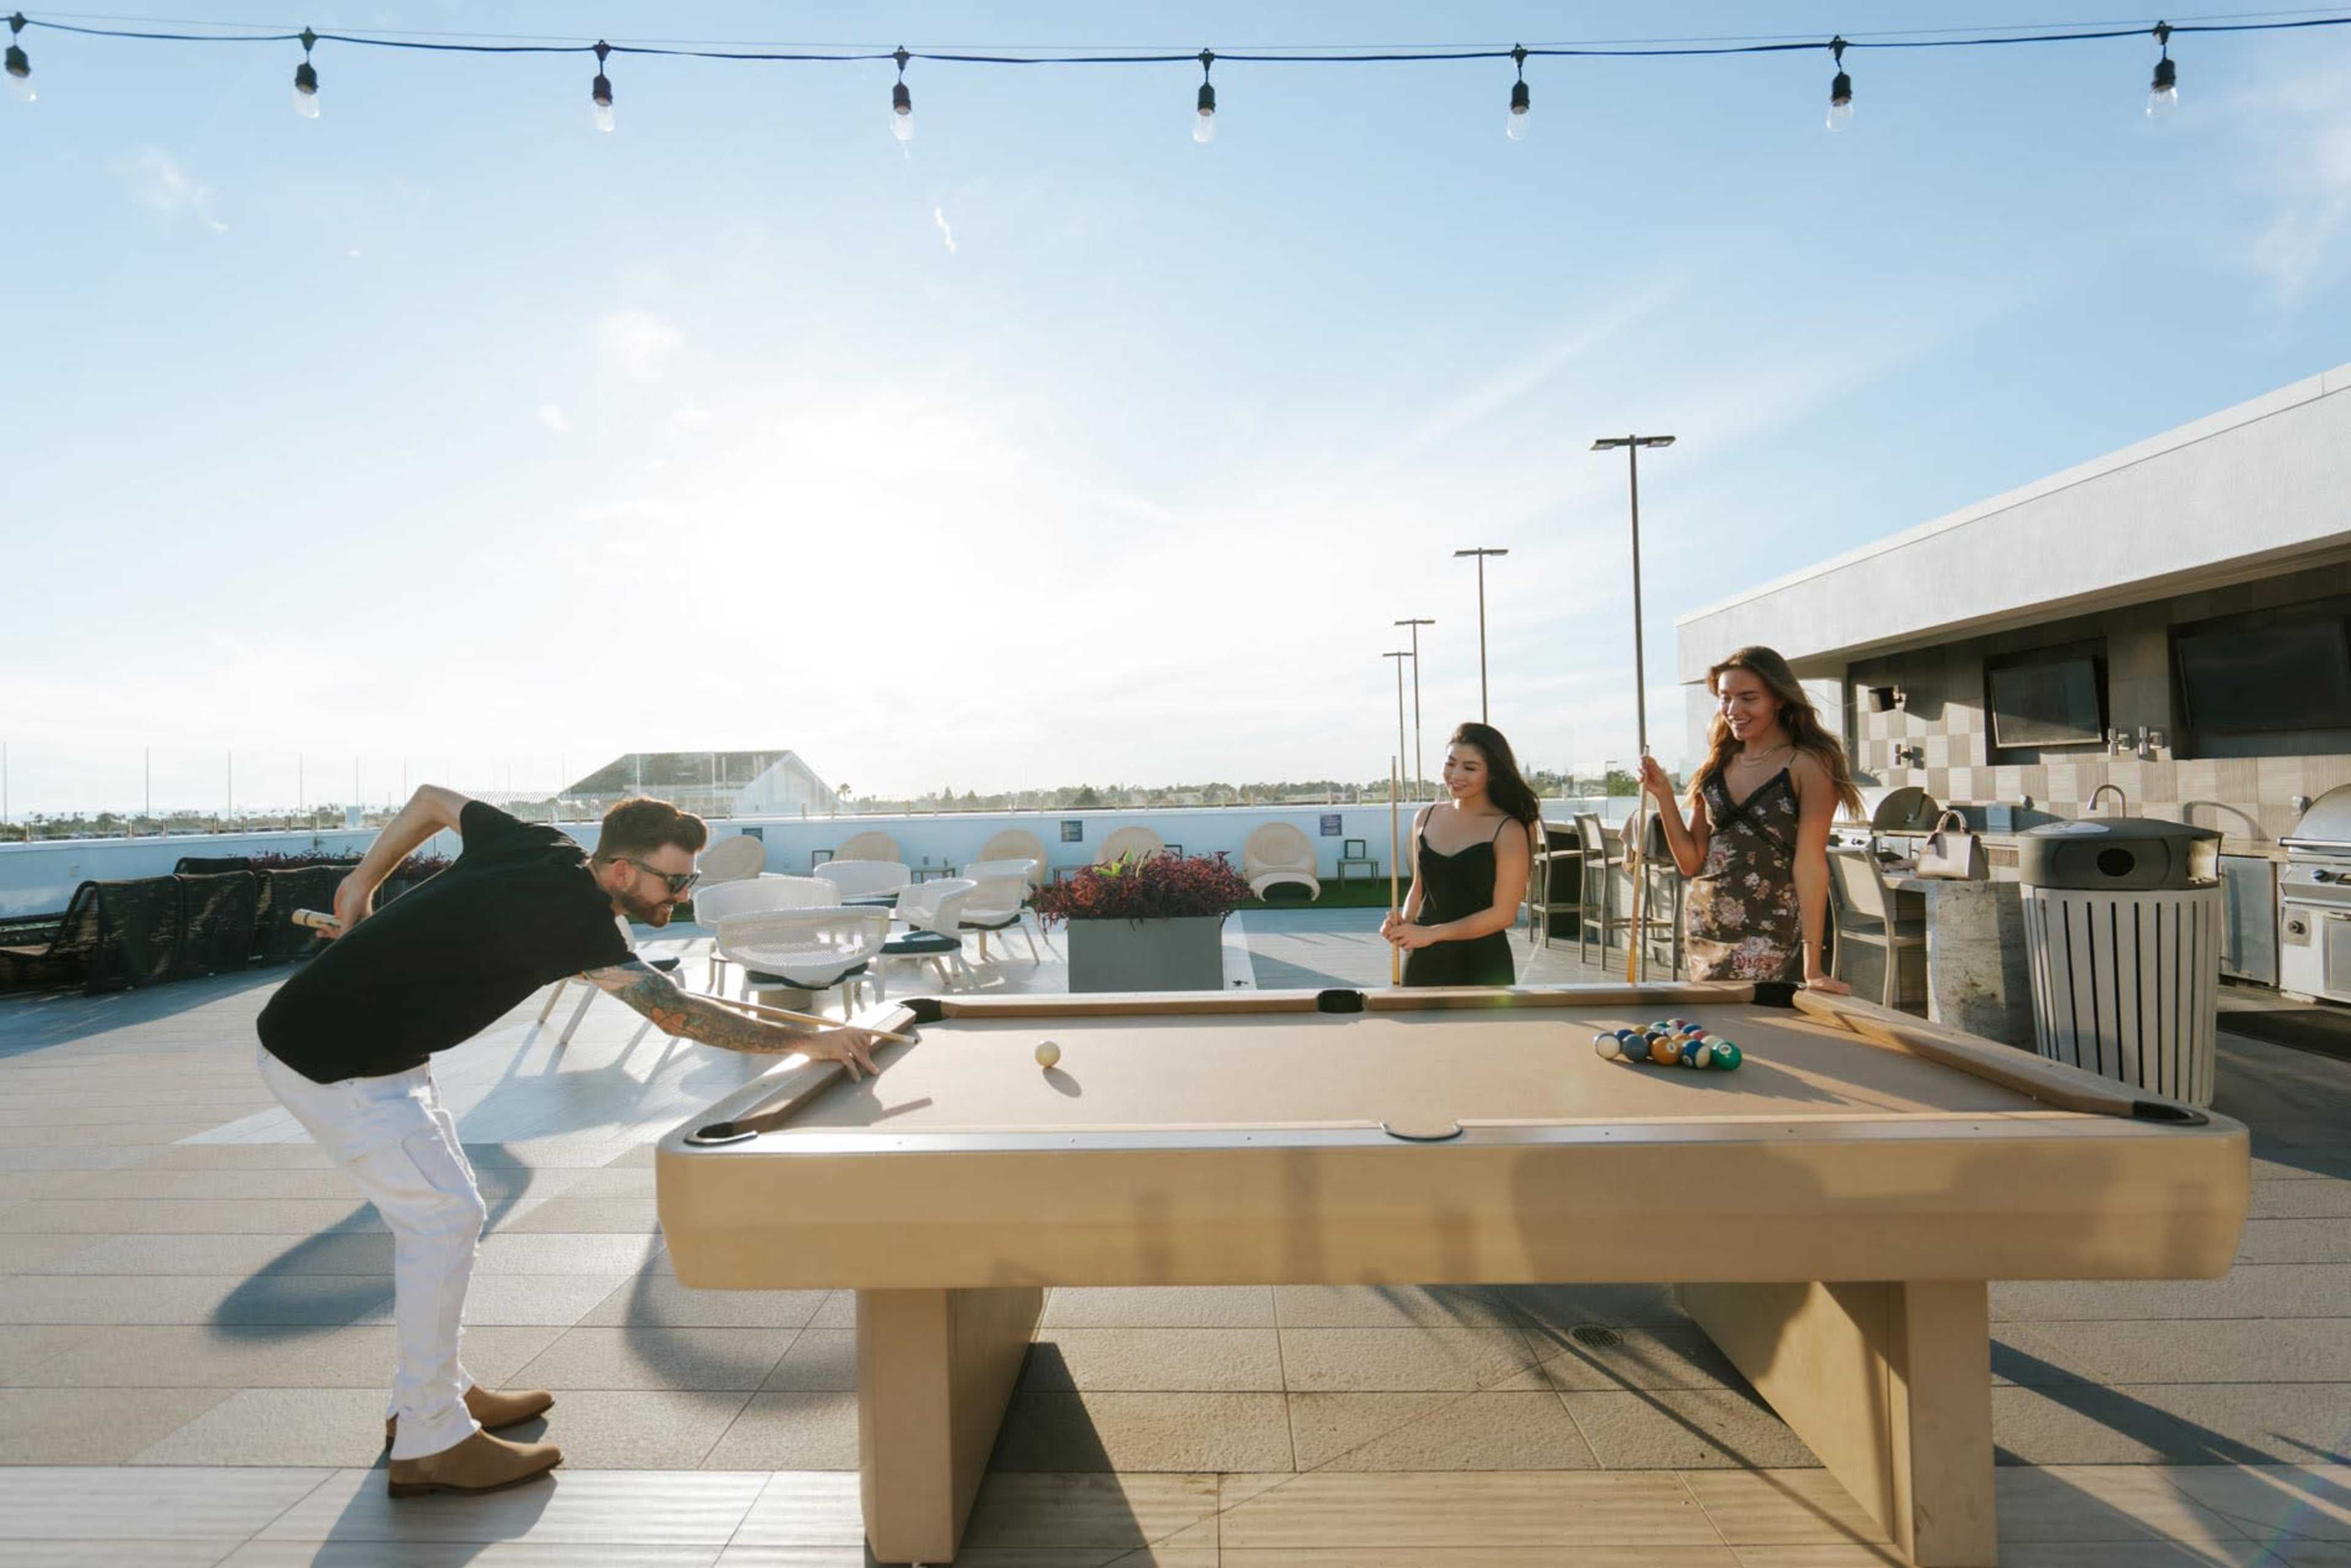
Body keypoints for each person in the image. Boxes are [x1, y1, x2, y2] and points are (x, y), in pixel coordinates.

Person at [255, 787, 879, 1498]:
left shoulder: (540, 845)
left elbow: (432, 801)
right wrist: (811, 1038)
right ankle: (431, 1440)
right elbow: (677, 1016)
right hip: (332, 1060)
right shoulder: (579, 923)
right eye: (673, 880)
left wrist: (359, 885)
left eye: (690, 880)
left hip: (388, 1055)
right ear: (620, 871)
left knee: (447, 1217)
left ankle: (429, 1395)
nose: (681, 893)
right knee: (444, 1218)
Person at [1640, 645, 1864, 988]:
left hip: (1768, 929)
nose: (1733, 710)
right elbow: (1690, 862)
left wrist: (1813, 968)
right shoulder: (1716, 766)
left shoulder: (1808, 765)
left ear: (1779, 699)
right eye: (1725, 698)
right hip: (1705, 925)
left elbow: (1811, 865)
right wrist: (1664, 797)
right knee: (1719, 1033)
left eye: (1748, 698)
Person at [1381, 722, 1540, 986]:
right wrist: (1402, 924)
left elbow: (1503, 915)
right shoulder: (1425, 817)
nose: (1456, 774)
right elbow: (1419, 889)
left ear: (1492, 774)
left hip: (1483, 964)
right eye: (1450, 763)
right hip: (1424, 961)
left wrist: (1432, 934)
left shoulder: (1509, 830)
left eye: (1470, 768)